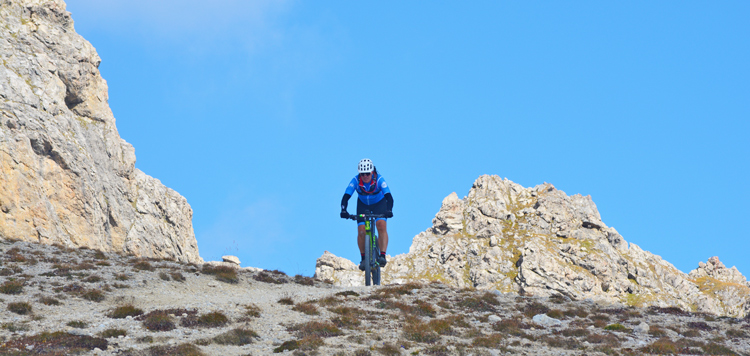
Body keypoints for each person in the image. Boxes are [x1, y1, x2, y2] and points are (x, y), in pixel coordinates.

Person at [340, 158, 393, 271]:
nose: (365, 176)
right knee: (361, 231)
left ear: (372, 172)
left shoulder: (379, 180)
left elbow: (389, 197)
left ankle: (382, 255)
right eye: (362, 174)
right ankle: (364, 258)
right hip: (363, 205)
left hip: (379, 204)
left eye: (367, 173)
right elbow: (346, 197)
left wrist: (389, 210)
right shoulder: (355, 180)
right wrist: (344, 210)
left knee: (381, 225)